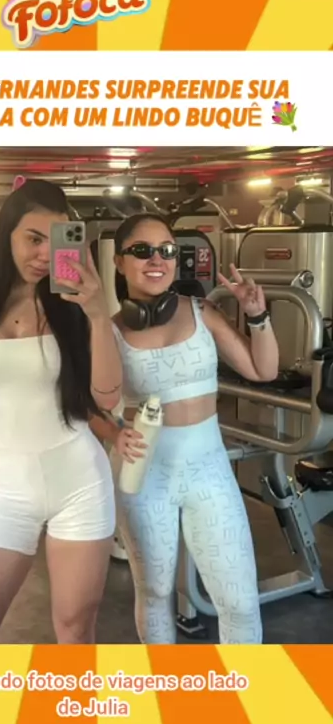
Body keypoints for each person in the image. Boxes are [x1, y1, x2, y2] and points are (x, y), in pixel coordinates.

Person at [0, 178, 123, 644]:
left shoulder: (76, 309)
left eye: (55, 241)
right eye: (33, 238)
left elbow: (106, 397)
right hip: (6, 491)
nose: (43, 254)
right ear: (7, 236)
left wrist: (99, 314)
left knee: (75, 630)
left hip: (79, 484)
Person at [90, 213, 279, 644]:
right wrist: (113, 433)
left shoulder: (202, 312)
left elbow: (263, 369)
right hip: (142, 473)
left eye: (167, 250)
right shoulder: (109, 331)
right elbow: (87, 404)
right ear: (119, 261)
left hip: (208, 470)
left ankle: (245, 686)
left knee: (240, 601)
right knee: (155, 591)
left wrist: (257, 316)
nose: (157, 259)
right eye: (142, 251)